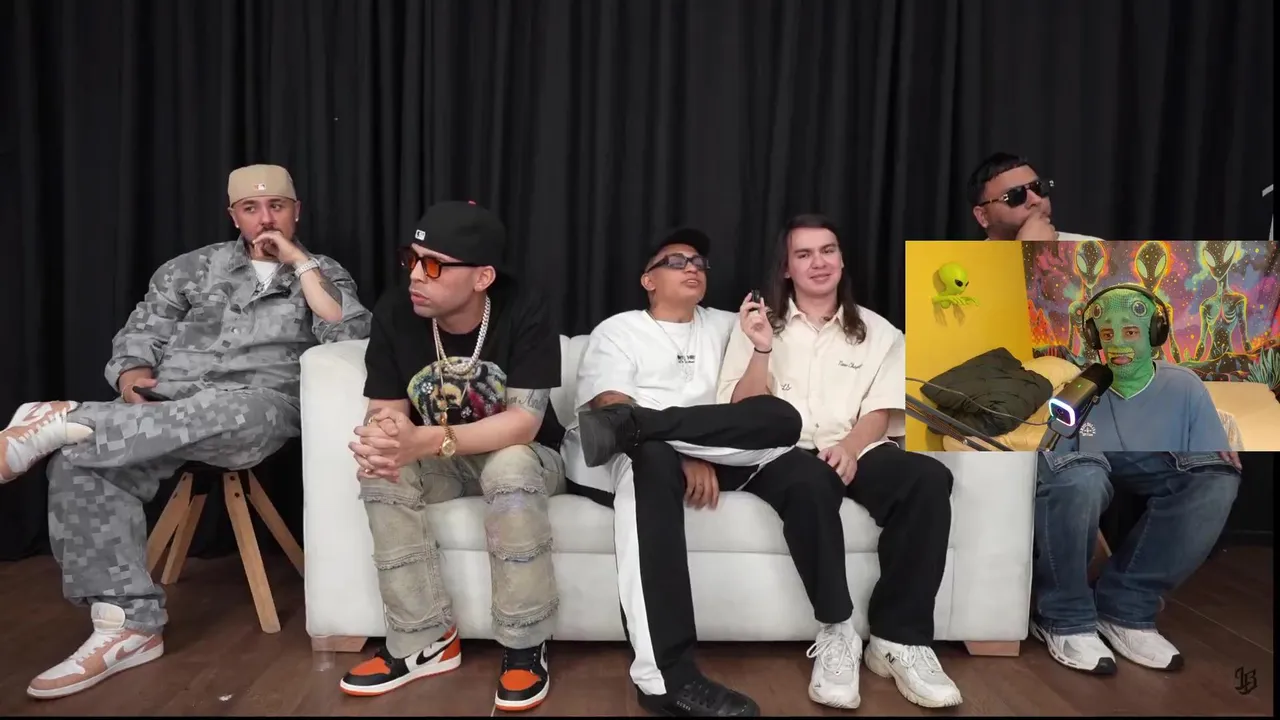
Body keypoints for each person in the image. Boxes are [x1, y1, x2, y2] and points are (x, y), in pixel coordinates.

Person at [0, 164, 372, 699]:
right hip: (162, 406)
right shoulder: (191, 268)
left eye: (277, 207)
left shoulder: (322, 273)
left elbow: (348, 334)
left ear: (297, 211)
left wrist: (300, 263)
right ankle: (127, 626)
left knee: (224, 412)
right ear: (233, 216)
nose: (265, 219)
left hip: (256, 409)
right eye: (250, 208)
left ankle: (66, 418)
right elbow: (141, 332)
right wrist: (130, 376)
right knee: (78, 460)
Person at [717, 214, 963, 710]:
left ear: (842, 259)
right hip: (783, 452)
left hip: (857, 444)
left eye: (827, 250)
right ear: (786, 268)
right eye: (804, 254)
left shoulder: (880, 331)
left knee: (927, 478)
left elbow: (882, 409)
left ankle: (899, 639)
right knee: (809, 482)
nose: (818, 262)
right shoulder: (756, 324)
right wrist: (762, 347)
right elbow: (740, 408)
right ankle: (837, 631)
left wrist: (849, 448)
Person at [564, 227, 804, 717]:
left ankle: (649, 428)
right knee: (647, 455)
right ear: (648, 280)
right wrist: (682, 452)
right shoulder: (620, 329)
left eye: (698, 261)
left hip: (701, 448)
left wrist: (688, 442)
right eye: (676, 261)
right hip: (622, 456)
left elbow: (753, 396)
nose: (692, 267)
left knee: (784, 420)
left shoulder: (727, 324)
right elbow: (611, 406)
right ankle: (665, 679)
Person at [340, 201, 565, 712]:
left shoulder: (525, 306)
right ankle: (423, 639)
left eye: (435, 265)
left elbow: (523, 423)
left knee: (509, 464)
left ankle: (525, 642)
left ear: (483, 277)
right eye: (412, 259)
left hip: (530, 459)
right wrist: (384, 437)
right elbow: (385, 408)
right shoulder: (396, 311)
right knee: (383, 469)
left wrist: (425, 440)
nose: (416, 276)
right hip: (444, 464)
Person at [1032, 451, 1240, 674]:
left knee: (1214, 474)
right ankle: (1064, 614)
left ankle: (1125, 607)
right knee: (1082, 479)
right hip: (1058, 436)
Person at [1055, 283, 1231, 453]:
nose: (1117, 342)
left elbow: (1213, 465)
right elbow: (1052, 463)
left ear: (1153, 334)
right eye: (1107, 334)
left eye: (1130, 332)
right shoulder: (1079, 393)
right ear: (1095, 339)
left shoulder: (1187, 387)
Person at [967, 152, 1104, 241]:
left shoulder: (1093, 252)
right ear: (983, 216)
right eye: (1016, 195)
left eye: (1038, 188)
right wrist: (1029, 254)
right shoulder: (966, 263)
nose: (1036, 200)